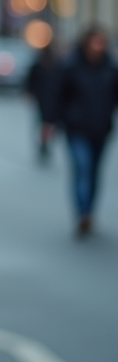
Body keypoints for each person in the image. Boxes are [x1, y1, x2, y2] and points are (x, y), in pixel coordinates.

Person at [54, 26, 117, 237]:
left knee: (94, 173)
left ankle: (89, 211)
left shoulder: (110, 67)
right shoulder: (71, 66)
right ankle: (82, 213)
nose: (98, 47)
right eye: (94, 42)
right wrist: (50, 122)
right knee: (83, 168)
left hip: (101, 129)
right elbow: (58, 95)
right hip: (77, 129)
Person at [24, 44, 59, 164]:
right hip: (43, 99)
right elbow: (30, 81)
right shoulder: (40, 66)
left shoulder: (56, 66)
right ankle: (43, 144)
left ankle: (45, 144)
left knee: (47, 125)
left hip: (51, 100)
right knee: (44, 125)